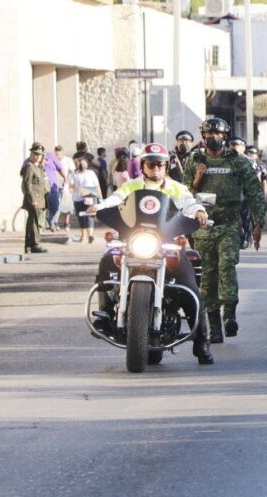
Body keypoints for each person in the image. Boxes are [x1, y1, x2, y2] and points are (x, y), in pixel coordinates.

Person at [87, 143, 214, 365]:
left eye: (160, 165)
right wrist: (100, 206)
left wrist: (200, 211)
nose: (155, 169)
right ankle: (105, 313)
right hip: (135, 243)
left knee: (191, 287)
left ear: (166, 167)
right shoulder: (131, 186)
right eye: (151, 165)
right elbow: (116, 199)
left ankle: (201, 342)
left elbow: (189, 203)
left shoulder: (176, 188)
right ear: (143, 166)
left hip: (166, 246)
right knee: (108, 260)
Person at [183, 118, 267, 343]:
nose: (213, 137)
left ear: (225, 136)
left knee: (227, 266)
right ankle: (214, 327)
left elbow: (254, 193)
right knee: (208, 276)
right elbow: (183, 195)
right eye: (208, 133)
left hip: (229, 224)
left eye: (217, 134)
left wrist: (259, 223)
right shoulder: (194, 161)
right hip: (203, 227)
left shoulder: (239, 162)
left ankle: (229, 314)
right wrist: (198, 177)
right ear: (203, 137)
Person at [20, 143, 49, 254]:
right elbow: (28, 185)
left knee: (33, 222)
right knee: (34, 223)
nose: (37, 156)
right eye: (35, 154)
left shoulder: (39, 168)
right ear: (31, 154)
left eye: (39, 155)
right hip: (34, 200)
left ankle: (29, 246)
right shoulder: (29, 167)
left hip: (40, 199)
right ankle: (34, 245)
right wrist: (33, 199)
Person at [71, 156, 102, 243]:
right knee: (90, 216)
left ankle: (83, 236)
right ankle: (90, 235)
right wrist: (100, 197)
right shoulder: (91, 173)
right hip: (90, 196)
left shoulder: (75, 174)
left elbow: (71, 185)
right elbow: (97, 185)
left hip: (78, 197)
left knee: (81, 216)